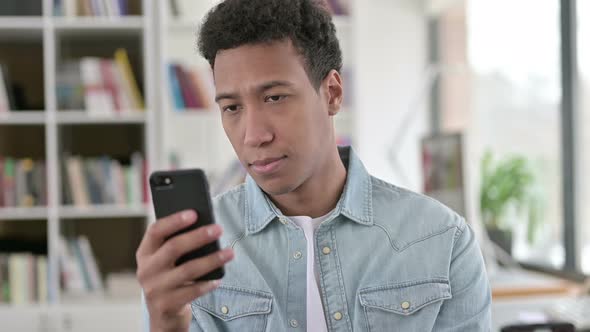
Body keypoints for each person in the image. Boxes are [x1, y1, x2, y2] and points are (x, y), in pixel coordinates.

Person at [136, 0, 492, 331]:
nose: (253, 135)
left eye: (275, 98)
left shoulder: (443, 241)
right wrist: (165, 326)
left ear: (333, 93)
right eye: (232, 107)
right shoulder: (191, 255)